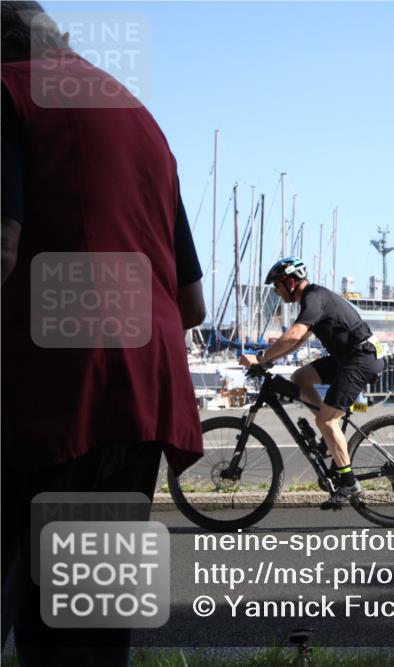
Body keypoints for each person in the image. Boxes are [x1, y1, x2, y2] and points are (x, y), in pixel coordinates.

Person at [1, 2, 205, 663]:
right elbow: (193, 301)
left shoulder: (8, 92)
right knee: (86, 623)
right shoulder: (142, 120)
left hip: (46, 392)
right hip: (139, 400)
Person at [239, 257, 384, 509]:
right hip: (347, 358)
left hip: (359, 359)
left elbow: (294, 334)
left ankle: (349, 482)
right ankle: (328, 433)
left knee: (326, 420)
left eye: (277, 285)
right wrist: (267, 363)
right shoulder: (312, 300)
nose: (275, 291)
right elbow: (298, 341)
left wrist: (261, 357)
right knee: (300, 378)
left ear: (291, 282)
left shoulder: (313, 297)